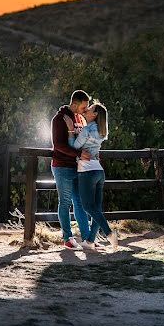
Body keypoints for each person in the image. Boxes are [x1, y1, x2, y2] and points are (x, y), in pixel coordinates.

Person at [70, 102, 118, 252]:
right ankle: (90, 241)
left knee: (87, 206)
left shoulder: (87, 129)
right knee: (96, 208)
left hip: (87, 171)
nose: (87, 109)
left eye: (90, 108)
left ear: (95, 114)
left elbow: (75, 146)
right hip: (99, 171)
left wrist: (71, 131)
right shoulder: (102, 131)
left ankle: (109, 233)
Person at [51, 90, 93, 249]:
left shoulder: (80, 119)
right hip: (62, 167)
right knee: (65, 202)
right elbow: (58, 145)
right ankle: (67, 237)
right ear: (75, 104)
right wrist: (78, 153)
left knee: (80, 203)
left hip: (78, 167)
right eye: (84, 107)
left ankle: (87, 238)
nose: (85, 110)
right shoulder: (59, 119)